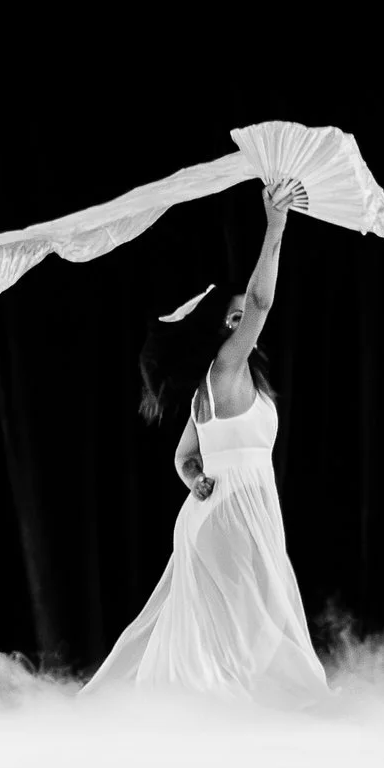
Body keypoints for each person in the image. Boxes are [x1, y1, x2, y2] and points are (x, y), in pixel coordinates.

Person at [84, 180, 328, 706]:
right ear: (220, 332)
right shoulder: (223, 369)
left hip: (224, 513)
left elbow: (183, 457)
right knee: (247, 626)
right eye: (234, 319)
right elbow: (261, 299)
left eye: (243, 319)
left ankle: (229, 708)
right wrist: (277, 225)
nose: (245, 322)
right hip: (230, 518)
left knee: (239, 626)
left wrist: (195, 480)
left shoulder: (222, 386)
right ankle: (238, 710)